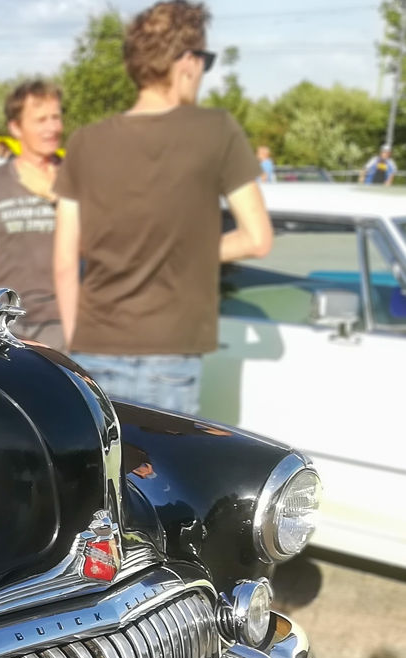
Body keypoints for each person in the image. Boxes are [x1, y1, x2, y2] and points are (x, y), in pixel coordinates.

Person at [52, 0, 271, 415]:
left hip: (94, 345)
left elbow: (65, 260)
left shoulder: (84, 142)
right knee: (163, 476)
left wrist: (75, 339)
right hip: (173, 350)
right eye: (204, 59)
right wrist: (189, 251)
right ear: (186, 61)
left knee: (104, 477)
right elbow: (257, 239)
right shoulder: (217, 130)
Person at [0, 80, 66, 351]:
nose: (52, 127)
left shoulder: (75, 177)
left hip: (61, 321)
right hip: (4, 318)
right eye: (41, 119)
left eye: (56, 117)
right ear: (16, 127)